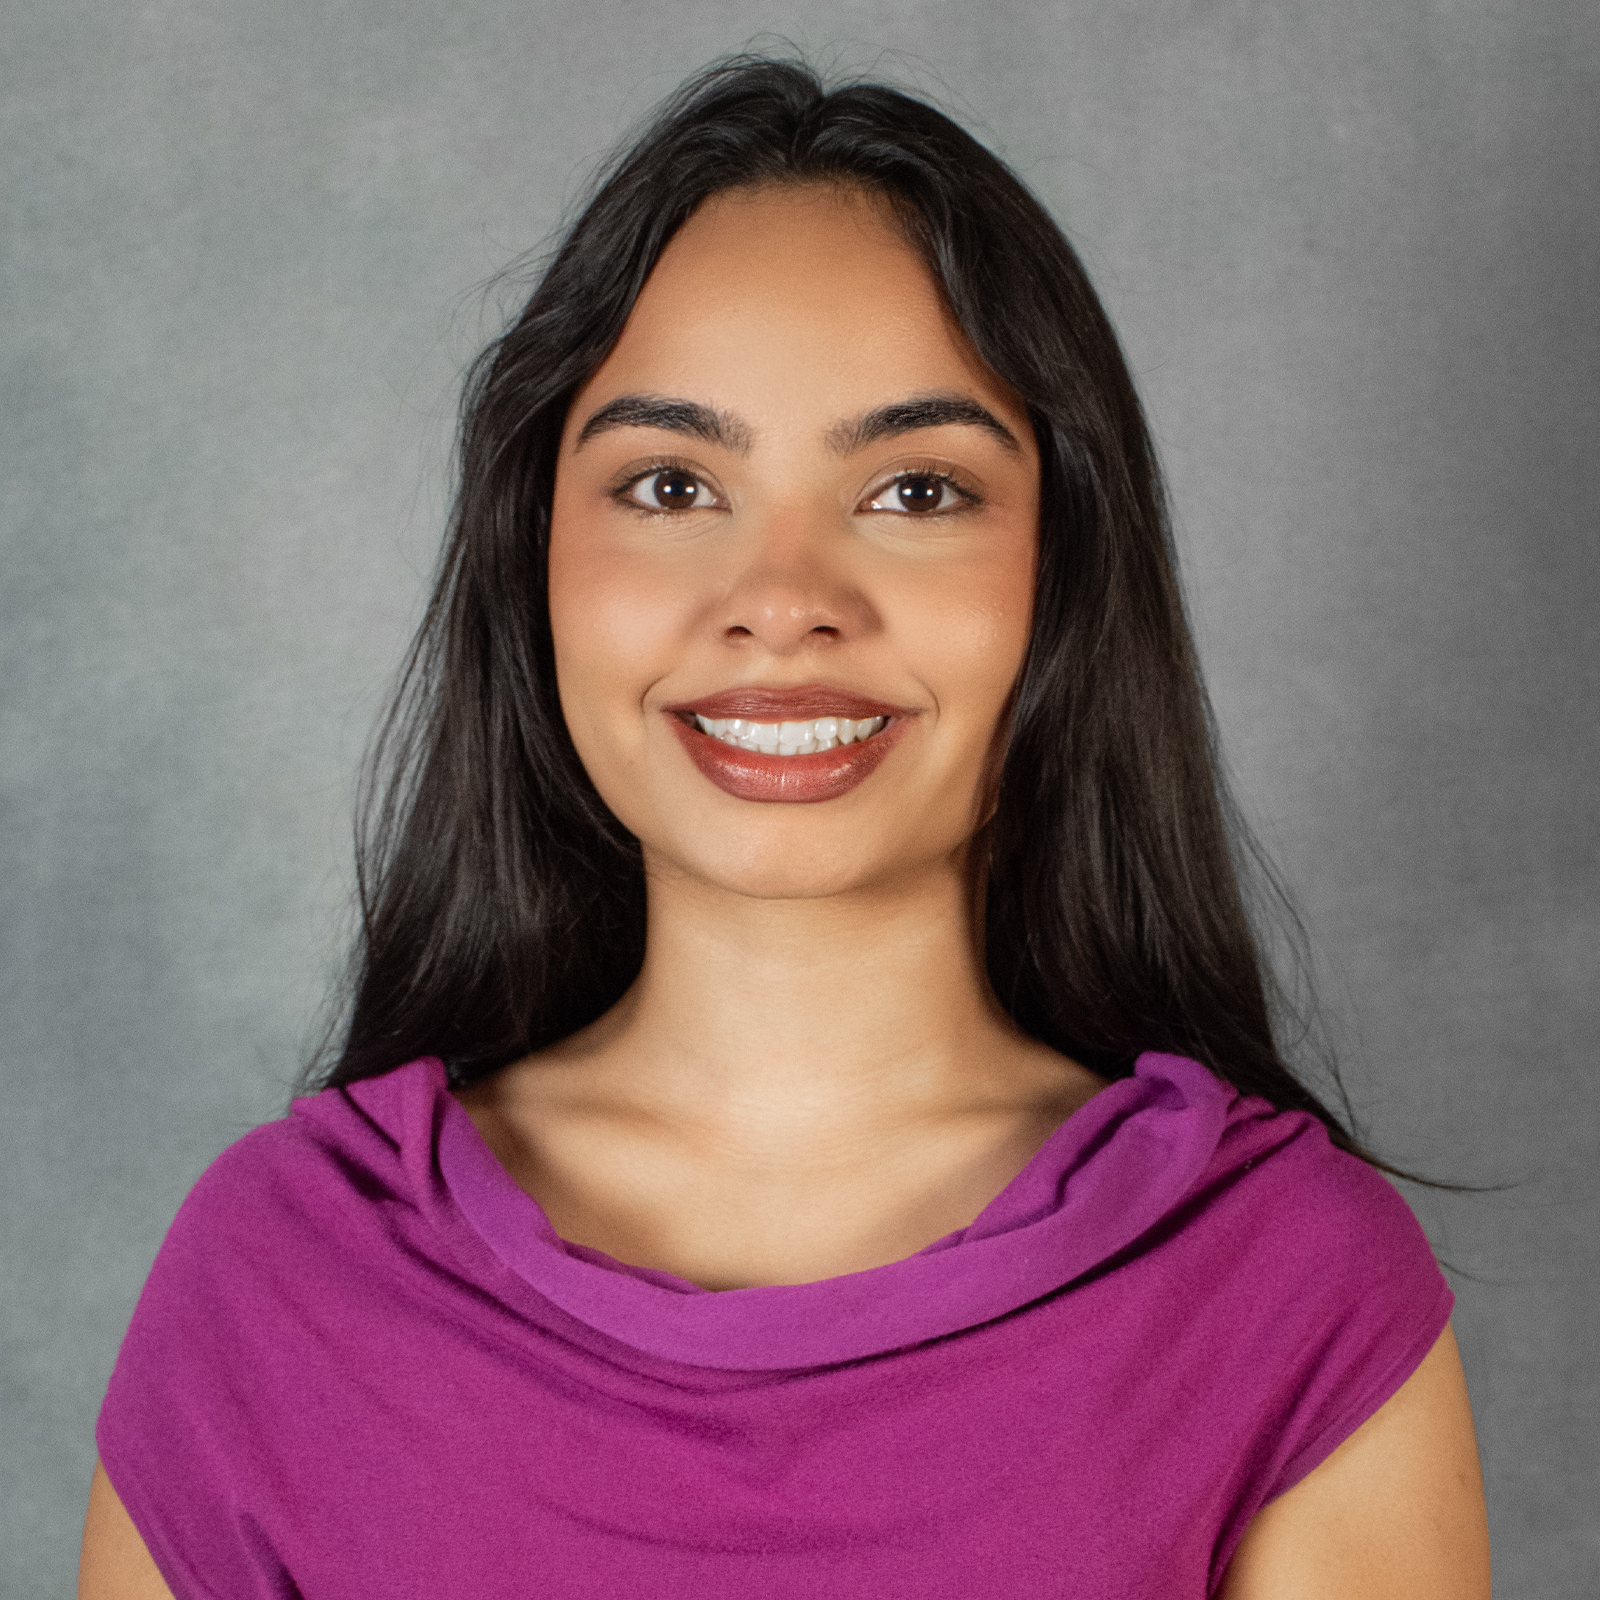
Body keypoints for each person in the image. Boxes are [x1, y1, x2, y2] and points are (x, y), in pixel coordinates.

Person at [79, 56, 1491, 1599]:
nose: (784, 602)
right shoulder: (280, 1275)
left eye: (915, 490)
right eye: (674, 483)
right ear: (535, 561)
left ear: (1064, 578)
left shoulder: (1288, 1290)